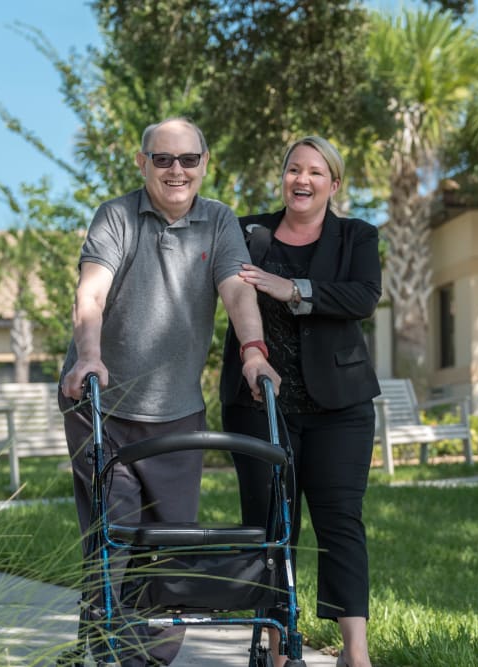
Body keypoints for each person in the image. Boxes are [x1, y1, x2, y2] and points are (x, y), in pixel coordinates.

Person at [58, 116, 279, 667]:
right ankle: (114, 650)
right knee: (118, 535)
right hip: (101, 404)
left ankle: (151, 656)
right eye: (163, 159)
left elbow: (236, 291)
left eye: (188, 159)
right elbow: (92, 292)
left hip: (178, 413)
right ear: (142, 164)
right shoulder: (117, 216)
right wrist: (89, 354)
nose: (176, 170)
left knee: (171, 546)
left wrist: (254, 351)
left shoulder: (219, 221)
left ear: (205, 164)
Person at [220, 136, 381, 667]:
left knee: (340, 522)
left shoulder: (357, 235)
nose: (302, 180)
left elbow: (362, 296)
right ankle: (277, 649)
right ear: (282, 177)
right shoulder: (248, 232)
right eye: (293, 169)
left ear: (334, 184)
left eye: (315, 172)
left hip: (341, 407)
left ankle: (354, 653)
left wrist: (290, 288)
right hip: (259, 404)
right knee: (271, 525)